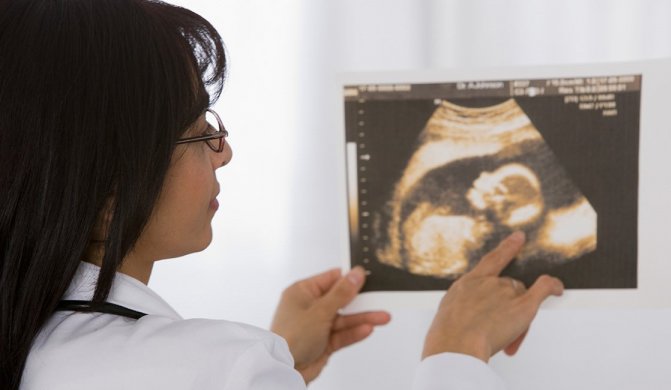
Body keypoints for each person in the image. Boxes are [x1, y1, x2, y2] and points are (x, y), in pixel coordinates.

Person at [0, 1, 564, 389]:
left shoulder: (37, 349)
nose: (223, 153)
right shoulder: (220, 366)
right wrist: (457, 353)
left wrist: (276, 363)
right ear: (105, 177)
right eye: (200, 131)